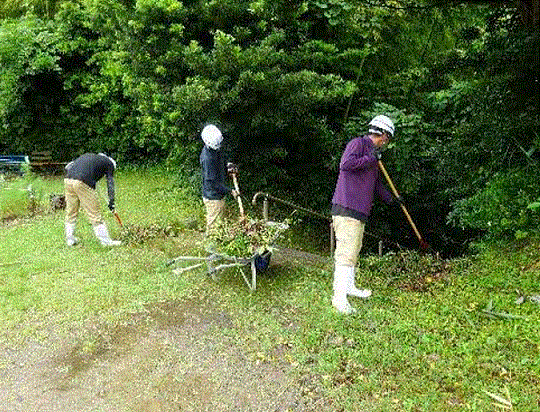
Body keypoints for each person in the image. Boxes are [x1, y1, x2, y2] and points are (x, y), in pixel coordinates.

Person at [330, 115, 398, 314]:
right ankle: (339, 298)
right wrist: (371, 159)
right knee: (346, 253)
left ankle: (349, 287)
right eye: (388, 138)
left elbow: (376, 184)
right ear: (384, 135)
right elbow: (346, 164)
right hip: (347, 207)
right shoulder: (358, 144)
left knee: (354, 250)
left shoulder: (373, 155)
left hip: (360, 211)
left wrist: (391, 199)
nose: (387, 142)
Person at [64, 152, 121, 246]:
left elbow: (68, 167)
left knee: (71, 211)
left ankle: (70, 240)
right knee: (95, 213)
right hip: (82, 181)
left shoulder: (91, 157)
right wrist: (112, 201)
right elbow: (110, 183)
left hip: (68, 180)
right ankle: (106, 242)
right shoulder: (109, 163)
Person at [199, 124, 238, 233]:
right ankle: (210, 247)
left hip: (218, 195)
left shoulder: (213, 149)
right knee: (213, 228)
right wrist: (230, 191)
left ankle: (217, 243)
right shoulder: (208, 159)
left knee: (219, 223)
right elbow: (213, 183)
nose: (219, 146)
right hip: (213, 197)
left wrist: (228, 165)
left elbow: (221, 159)